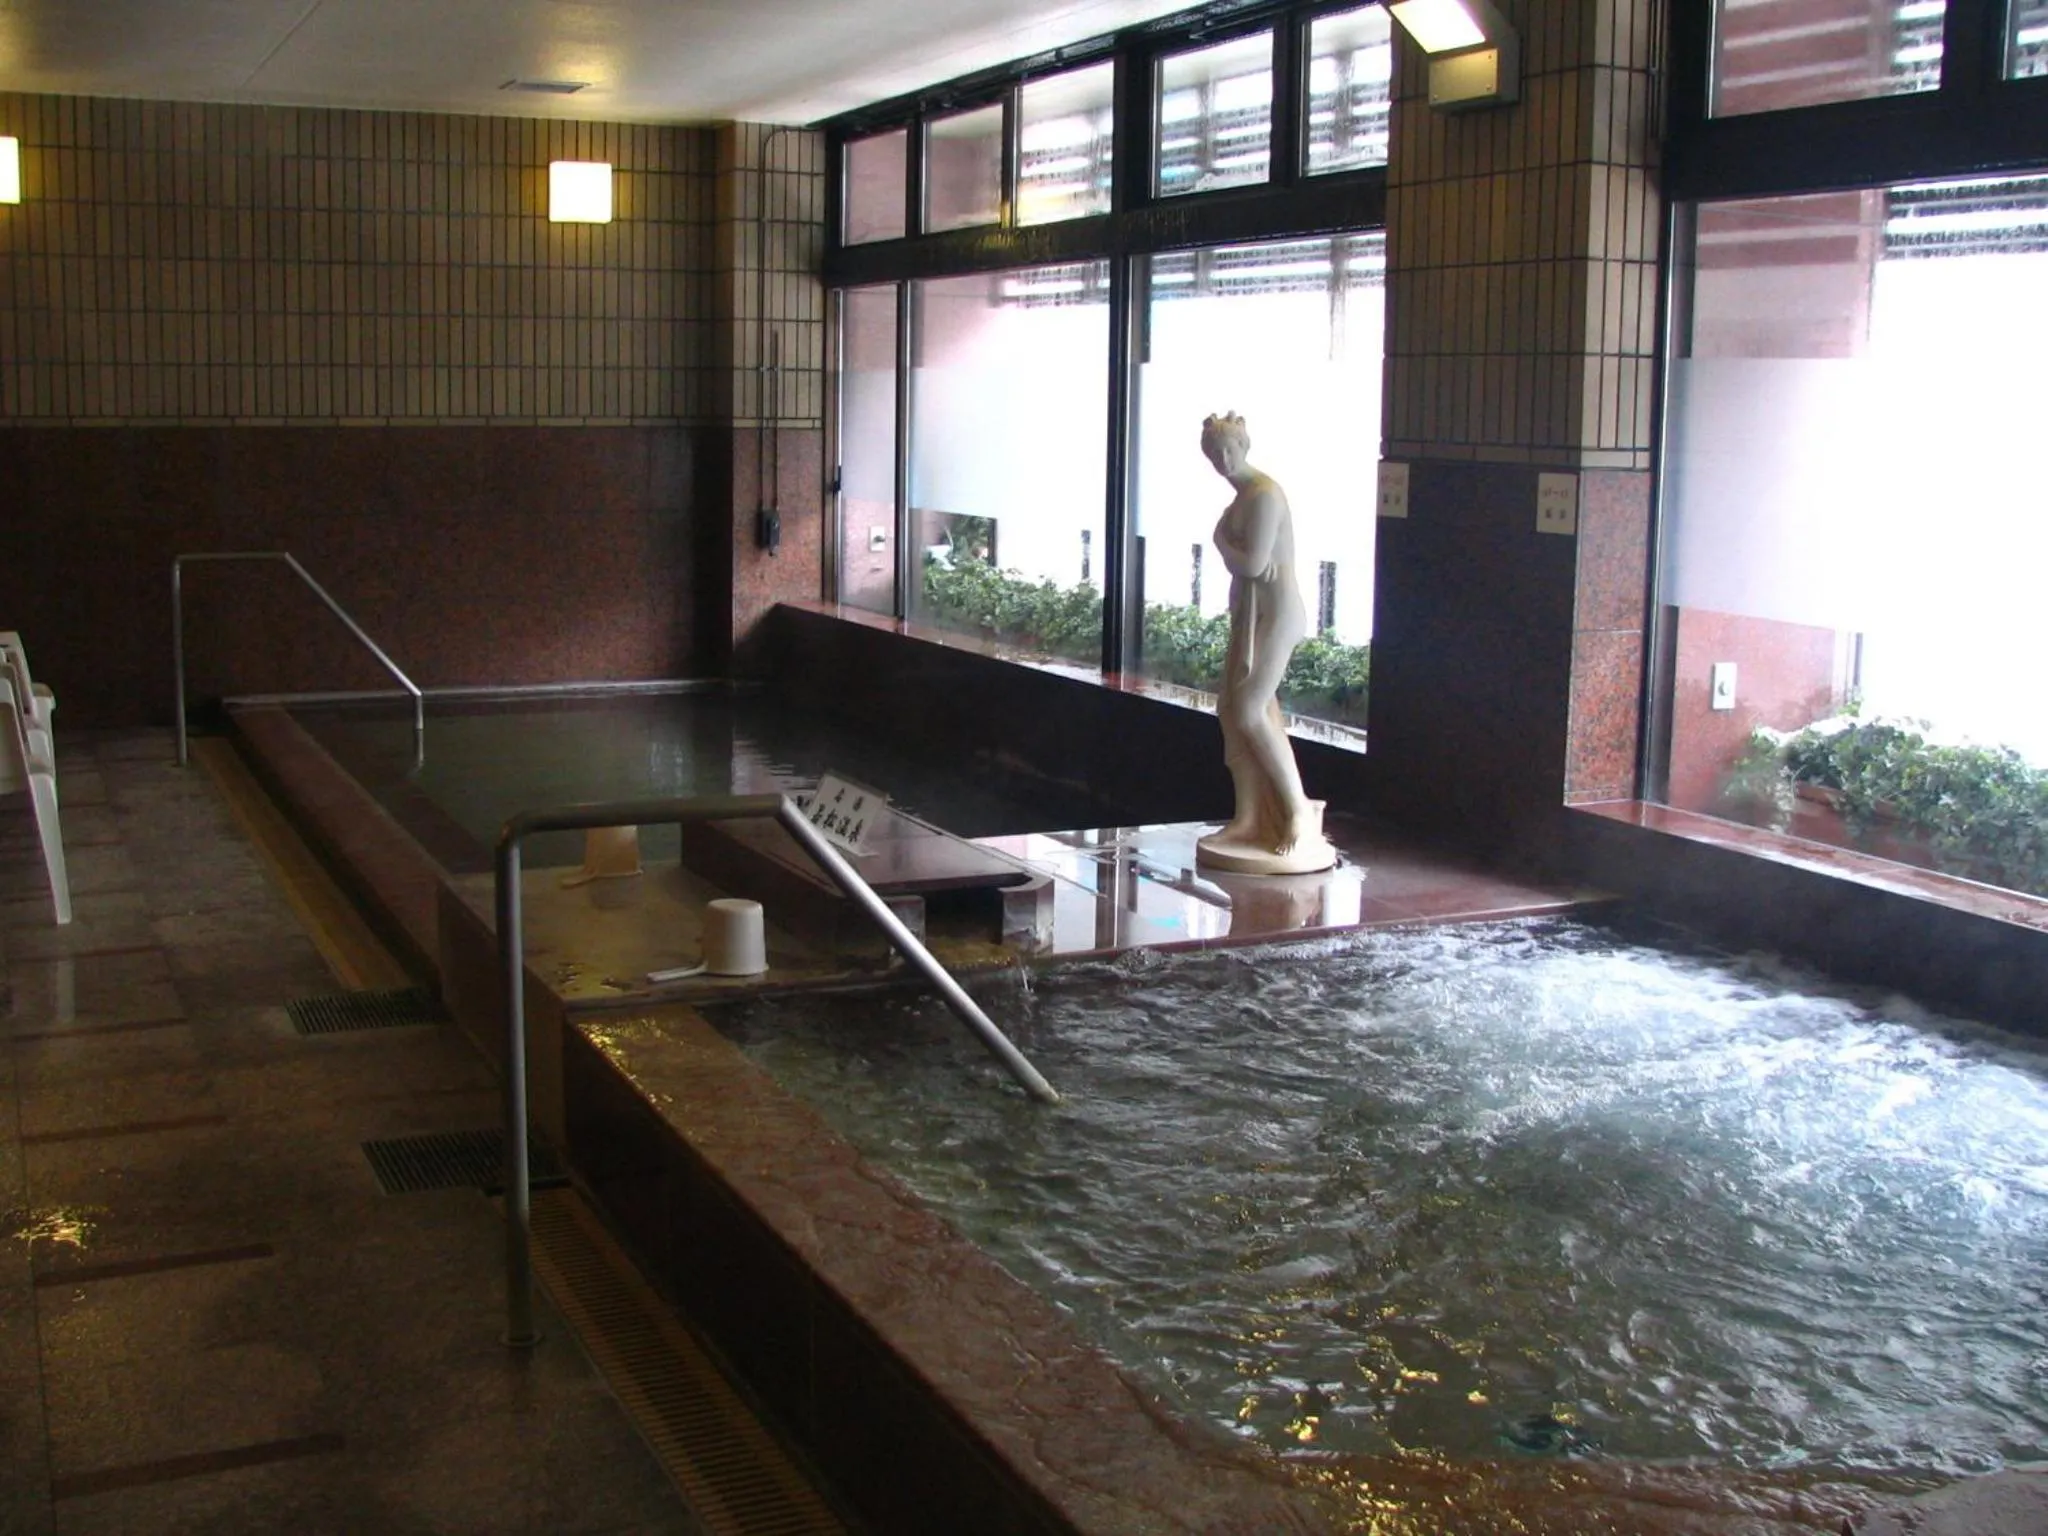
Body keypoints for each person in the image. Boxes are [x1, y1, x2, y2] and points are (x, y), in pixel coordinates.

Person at [1195, 412, 1333, 873]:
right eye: (1215, 454)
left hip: (1277, 614)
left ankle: (1296, 809)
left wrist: (1219, 540)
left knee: (1252, 709)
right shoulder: (1243, 499)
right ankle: (1250, 817)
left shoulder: (1265, 496)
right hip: (1250, 617)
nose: (1223, 460)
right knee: (1232, 713)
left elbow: (1251, 565)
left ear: (1245, 445)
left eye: (1229, 450)